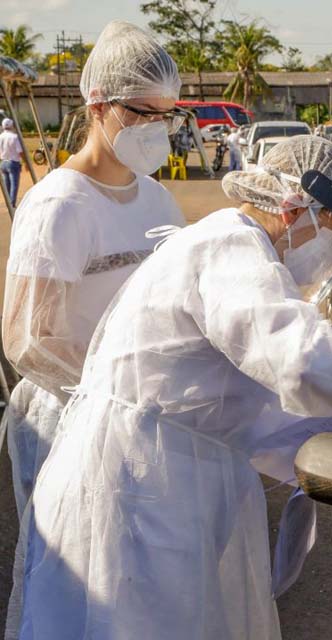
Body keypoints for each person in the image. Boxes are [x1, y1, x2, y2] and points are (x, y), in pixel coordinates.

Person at [16, 135, 332, 639]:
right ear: (296, 208)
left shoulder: (239, 249)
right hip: (137, 487)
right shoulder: (228, 245)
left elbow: (257, 403)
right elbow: (296, 356)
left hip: (163, 480)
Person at [1, 20, 186, 636]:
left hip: (146, 422)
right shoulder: (60, 205)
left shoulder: (158, 200)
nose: (157, 128)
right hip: (71, 422)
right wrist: (113, 393)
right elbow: (27, 338)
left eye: (168, 114)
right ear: (99, 106)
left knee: (138, 587)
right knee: (76, 590)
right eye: (143, 113)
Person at [0, 118, 25, 206]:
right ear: (11, 126)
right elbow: (20, 151)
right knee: (14, 184)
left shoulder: (1, 136)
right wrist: (25, 162)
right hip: (13, 162)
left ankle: (8, 202)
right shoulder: (14, 137)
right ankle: (12, 203)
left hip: (3, 162)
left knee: (7, 184)